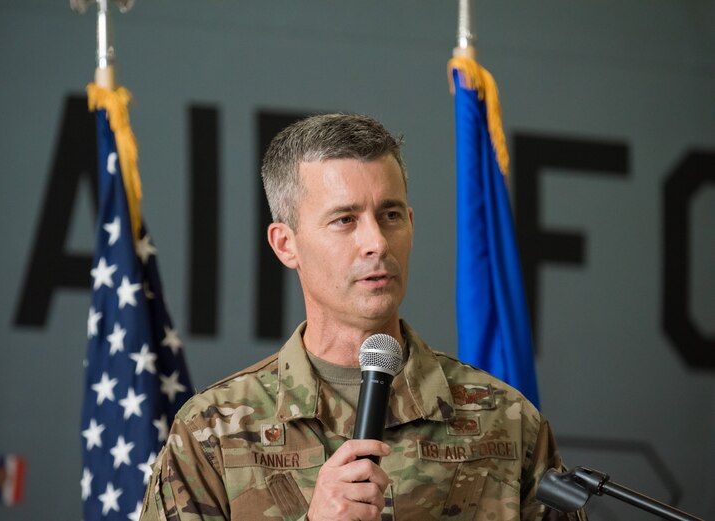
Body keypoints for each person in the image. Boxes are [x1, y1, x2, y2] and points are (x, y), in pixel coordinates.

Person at [139, 114, 586, 521]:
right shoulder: (212, 433)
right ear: (285, 244)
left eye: (390, 215)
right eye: (344, 220)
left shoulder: (506, 421)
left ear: (410, 224)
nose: (376, 242)